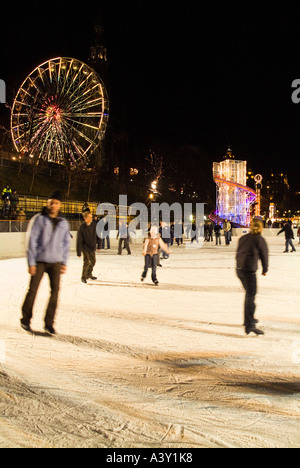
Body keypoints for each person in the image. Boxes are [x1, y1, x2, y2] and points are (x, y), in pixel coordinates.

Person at [21, 191, 70, 335]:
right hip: (40, 260)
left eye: (56, 203)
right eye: (51, 202)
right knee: (33, 290)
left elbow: (66, 243)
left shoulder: (63, 222)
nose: (53, 205)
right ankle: (25, 319)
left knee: (55, 293)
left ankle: (49, 324)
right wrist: (31, 263)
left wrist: (64, 261)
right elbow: (32, 241)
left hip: (55, 261)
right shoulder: (39, 219)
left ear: (60, 205)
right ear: (47, 203)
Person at [236, 219, 269, 336]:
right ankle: (249, 325)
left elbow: (238, 254)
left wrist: (240, 265)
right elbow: (264, 255)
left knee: (249, 295)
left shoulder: (243, 238)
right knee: (251, 296)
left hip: (240, 270)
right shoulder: (259, 239)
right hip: (249, 270)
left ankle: (249, 319)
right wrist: (265, 269)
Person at [77, 212, 97, 284]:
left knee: (93, 261)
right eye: (89, 217)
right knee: (86, 261)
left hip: (92, 247)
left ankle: (89, 273)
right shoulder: (82, 227)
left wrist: (99, 245)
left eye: (91, 217)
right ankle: (83, 277)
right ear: (85, 218)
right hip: (85, 247)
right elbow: (79, 240)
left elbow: (97, 235)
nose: (91, 219)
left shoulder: (94, 225)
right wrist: (78, 251)